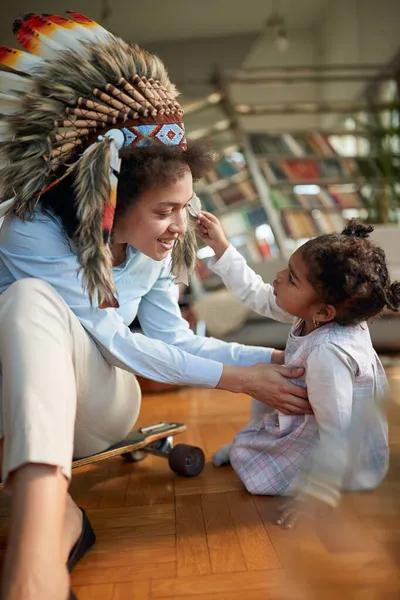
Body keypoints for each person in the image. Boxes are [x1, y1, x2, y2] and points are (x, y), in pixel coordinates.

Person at [0, 12, 309, 600]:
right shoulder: (30, 231)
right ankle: (59, 519)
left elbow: (176, 341)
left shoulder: (159, 248)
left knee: (25, 302)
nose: (179, 227)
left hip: (97, 405)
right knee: (28, 300)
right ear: (109, 202)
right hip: (17, 397)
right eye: (164, 210)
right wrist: (244, 381)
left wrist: (277, 353)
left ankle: (33, 556)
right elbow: (116, 337)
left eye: (185, 207)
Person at [197, 210, 397, 528]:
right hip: (306, 418)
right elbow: (258, 294)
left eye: (291, 278)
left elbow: (338, 432)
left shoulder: (328, 354)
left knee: (259, 471)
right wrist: (222, 248)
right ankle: (247, 446)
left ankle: (255, 454)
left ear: (324, 311)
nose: (277, 277)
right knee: (269, 376)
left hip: (336, 451)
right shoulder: (316, 313)